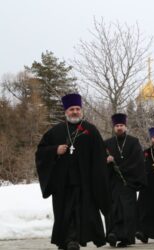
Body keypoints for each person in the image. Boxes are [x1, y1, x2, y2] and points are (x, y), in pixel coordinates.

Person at [35, 93, 110, 250]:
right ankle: (69, 240)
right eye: (71, 109)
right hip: (63, 183)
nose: (75, 112)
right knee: (65, 212)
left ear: (81, 110)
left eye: (77, 109)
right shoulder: (55, 132)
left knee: (82, 211)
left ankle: (74, 239)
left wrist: (98, 178)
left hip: (85, 182)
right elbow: (40, 152)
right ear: (66, 112)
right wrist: (55, 149)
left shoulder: (91, 130)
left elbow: (99, 156)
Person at [104, 113, 147, 247]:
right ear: (114, 128)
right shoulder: (108, 143)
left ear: (126, 127)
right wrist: (107, 161)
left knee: (127, 210)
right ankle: (112, 234)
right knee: (113, 208)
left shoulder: (134, 142)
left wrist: (120, 167)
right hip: (113, 183)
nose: (119, 128)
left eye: (121, 125)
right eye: (117, 126)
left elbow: (138, 161)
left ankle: (126, 238)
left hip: (128, 182)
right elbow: (100, 161)